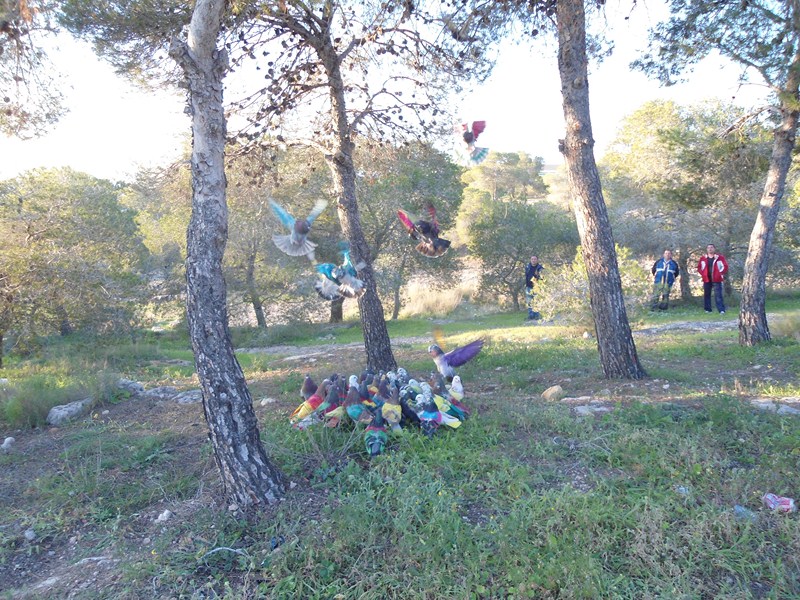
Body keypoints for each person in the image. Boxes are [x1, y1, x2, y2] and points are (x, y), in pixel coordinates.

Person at [697, 244, 728, 314]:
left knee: (718, 295)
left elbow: (725, 266)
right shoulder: (703, 258)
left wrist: (720, 273)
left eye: (711, 247)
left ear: (714, 249)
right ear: (706, 249)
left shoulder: (720, 258)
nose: (710, 249)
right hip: (707, 279)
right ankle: (708, 310)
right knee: (707, 294)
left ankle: (721, 310)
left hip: (717, 279)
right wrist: (703, 274)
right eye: (708, 248)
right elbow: (699, 268)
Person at [524, 255, 544, 320]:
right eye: (532, 259)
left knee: (537, 302)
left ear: (537, 260)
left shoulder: (540, 268)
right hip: (528, 287)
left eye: (535, 259)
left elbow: (542, 278)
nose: (533, 260)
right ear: (530, 260)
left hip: (537, 287)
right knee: (529, 302)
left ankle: (537, 316)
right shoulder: (527, 267)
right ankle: (531, 316)